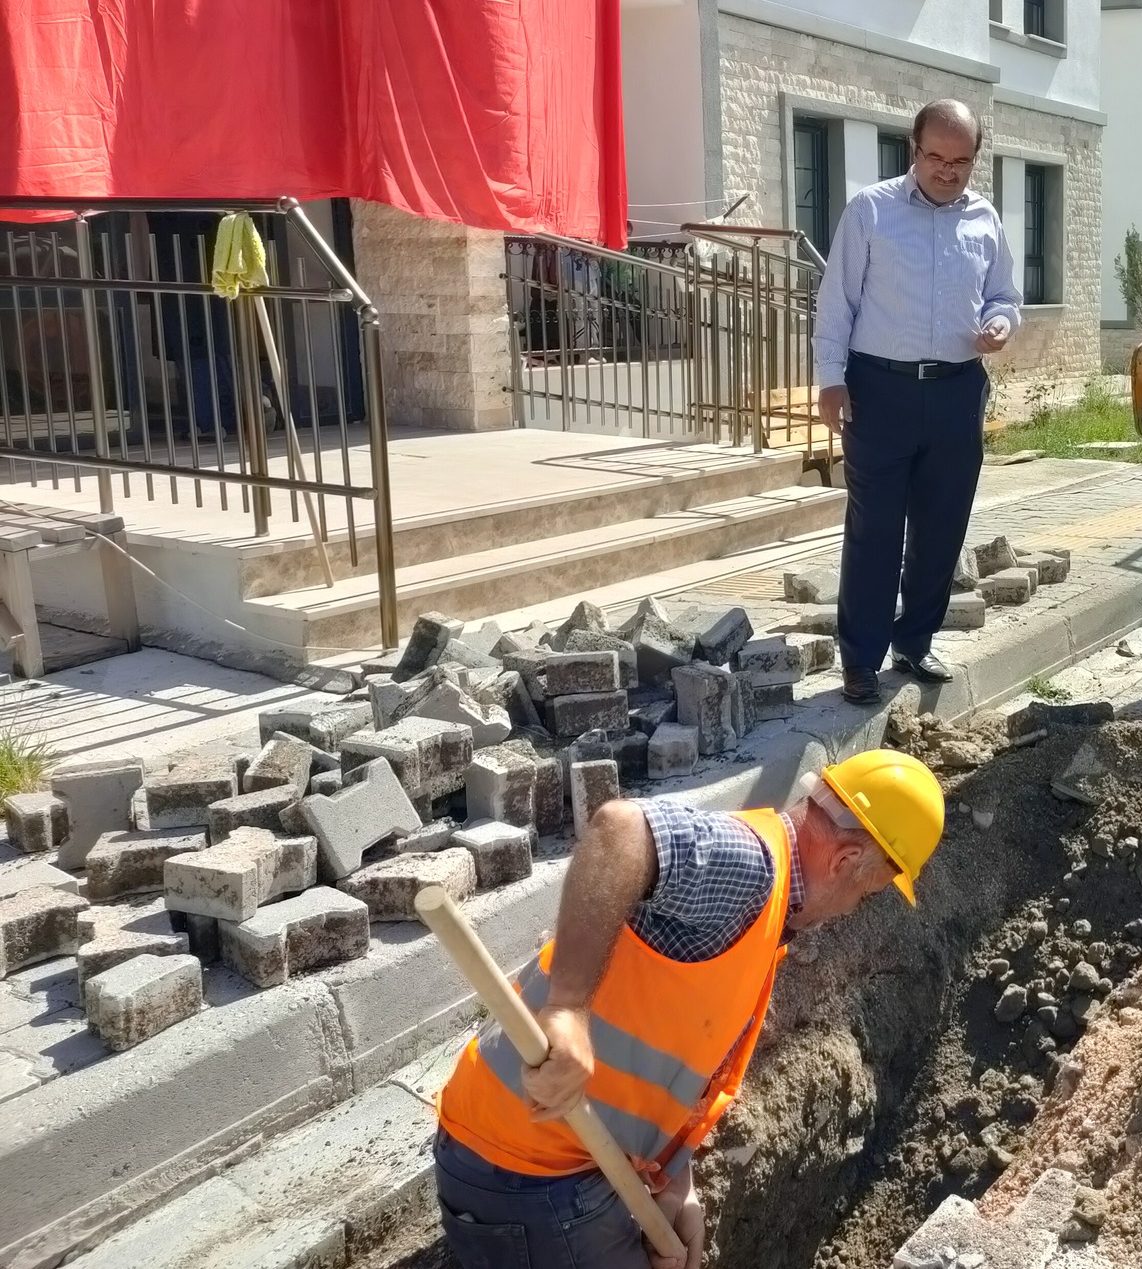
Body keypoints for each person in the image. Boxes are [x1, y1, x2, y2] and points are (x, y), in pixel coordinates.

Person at [431, 750, 946, 1269]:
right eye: (869, 892)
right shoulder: (751, 868)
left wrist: (679, 1185)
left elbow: (672, 1056)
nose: (853, 909)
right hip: (527, 1170)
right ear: (845, 861)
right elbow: (620, 831)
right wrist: (567, 1010)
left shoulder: (764, 911)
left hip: (556, 1161)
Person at [812, 99, 1023, 704]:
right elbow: (838, 303)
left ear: (974, 159)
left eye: (960, 161)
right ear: (914, 148)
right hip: (880, 390)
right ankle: (860, 659)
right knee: (875, 528)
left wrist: (1001, 323)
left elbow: (1004, 294)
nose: (946, 170)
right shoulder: (870, 212)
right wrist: (831, 378)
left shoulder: (984, 219)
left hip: (958, 392)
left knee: (941, 527)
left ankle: (915, 640)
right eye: (935, 156)